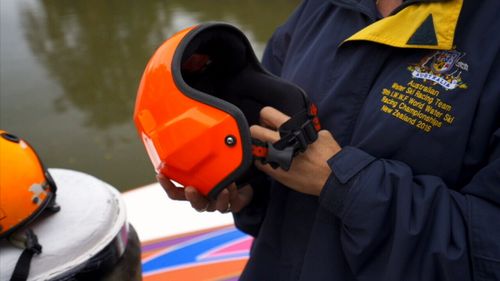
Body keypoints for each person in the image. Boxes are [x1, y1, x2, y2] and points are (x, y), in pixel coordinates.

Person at [159, 0, 500, 279]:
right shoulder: (323, 7)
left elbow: (488, 251)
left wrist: (342, 183)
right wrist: (244, 185)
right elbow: (267, 134)